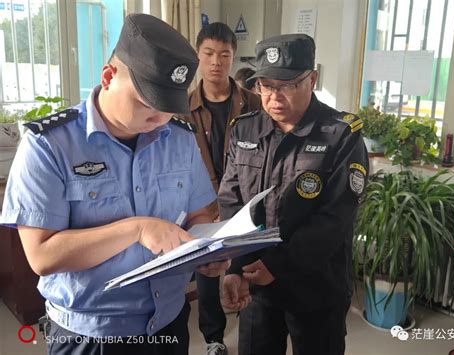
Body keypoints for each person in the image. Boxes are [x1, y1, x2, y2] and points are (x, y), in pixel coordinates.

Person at [1, 14, 229, 355]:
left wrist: (209, 251)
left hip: (168, 322)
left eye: (168, 107)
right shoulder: (49, 145)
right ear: (108, 77)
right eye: (146, 102)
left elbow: (199, 215)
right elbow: (41, 255)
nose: (158, 118)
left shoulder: (179, 139)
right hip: (90, 334)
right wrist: (136, 229)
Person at [219, 34, 369, 355]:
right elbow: (232, 202)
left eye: (286, 85)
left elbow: (335, 218)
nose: (274, 97)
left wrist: (279, 264)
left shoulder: (340, 135)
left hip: (316, 286)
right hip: (257, 285)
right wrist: (234, 267)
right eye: (266, 86)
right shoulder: (245, 130)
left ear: (311, 79)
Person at [180, 22, 260, 355]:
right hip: (204, 203)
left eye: (224, 55)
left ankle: (254, 325)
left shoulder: (254, 103)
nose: (216, 62)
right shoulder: (182, 105)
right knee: (209, 272)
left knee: (249, 261)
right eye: (209, 53)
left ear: (233, 57)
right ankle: (214, 338)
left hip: (246, 198)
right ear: (198, 56)